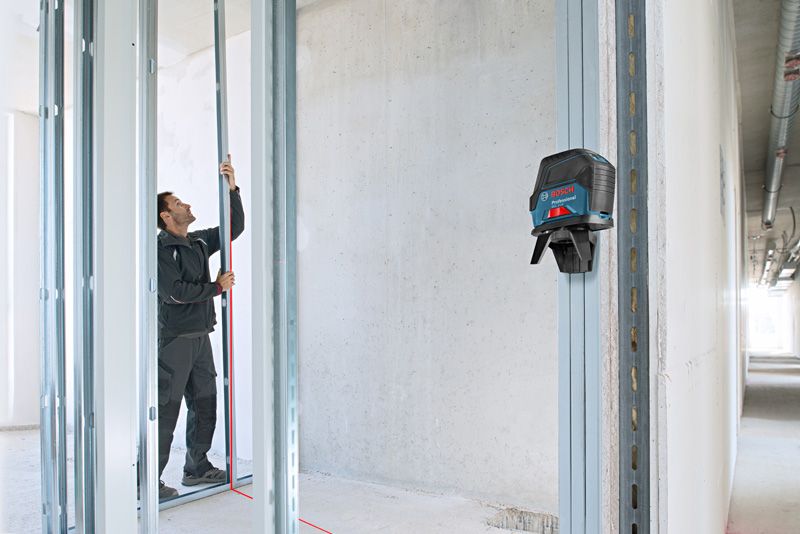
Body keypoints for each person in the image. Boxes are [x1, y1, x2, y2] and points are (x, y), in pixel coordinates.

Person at [155, 156, 244, 499]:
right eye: (178, 203)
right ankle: (145, 480)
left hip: (200, 338)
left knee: (205, 402)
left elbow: (233, 229)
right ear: (166, 215)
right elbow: (173, 293)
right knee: (167, 409)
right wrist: (216, 288)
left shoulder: (199, 242)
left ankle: (197, 467)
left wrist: (232, 188)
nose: (186, 204)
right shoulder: (161, 248)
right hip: (174, 340)